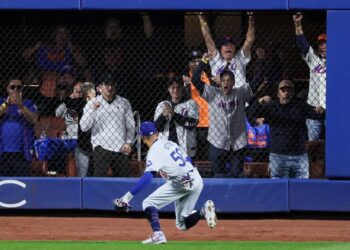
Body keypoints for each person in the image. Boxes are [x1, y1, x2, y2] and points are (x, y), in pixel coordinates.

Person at [113, 121, 217, 244]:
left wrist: (126, 197)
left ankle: (158, 234)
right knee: (182, 224)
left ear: (142, 137)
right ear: (156, 133)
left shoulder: (154, 151)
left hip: (181, 182)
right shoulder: (169, 143)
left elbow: (147, 177)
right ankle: (202, 211)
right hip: (196, 178)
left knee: (148, 202)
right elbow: (189, 159)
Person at [192, 53, 253, 177]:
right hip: (217, 142)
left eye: (229, 80)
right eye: (223, 80)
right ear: (219, 82)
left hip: (237, 142)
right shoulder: (212, 93)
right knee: (218, 175)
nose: (226, 83)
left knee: (236, 175)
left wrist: (261, 61)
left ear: (234, 82)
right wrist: (204, 62)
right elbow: (195, 79)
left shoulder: (240, 92)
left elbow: (256, 82)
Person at [253, 80, 325, 178]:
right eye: (283, 90)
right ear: (278, 93)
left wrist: (321, 111)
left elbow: (317, 115)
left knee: (302, 187)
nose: (286, 93)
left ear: (293, 93)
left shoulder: (301, 106)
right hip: (278, 155)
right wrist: (259, 102)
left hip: (299, 155)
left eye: (289, 90)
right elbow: (250, 113)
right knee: (278, 187)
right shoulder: (272, 106)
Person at [80, 74, 135, 177]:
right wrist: (92, 110)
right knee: (100, 182)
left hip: (121, 147)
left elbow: (130, 126)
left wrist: (128, 143)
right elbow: (84, 127)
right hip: (101, 146)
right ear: (100, 87)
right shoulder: (92, 103)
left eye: (112, 84)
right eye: (106, 85)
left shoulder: (124, 102)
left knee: (122, 183)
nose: (110, 88)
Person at [198, 12, 255, 87]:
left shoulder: (240, 57)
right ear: (221, 49)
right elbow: (207, 38)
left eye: (231, 45)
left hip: (238, 95)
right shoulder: (216, 59)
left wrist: (251, 21)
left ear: (235, 49)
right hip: (219, 95)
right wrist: (201, 18)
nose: (228, 47)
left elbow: (250, 40)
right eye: (225, 45)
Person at [293, 13, 326, 141]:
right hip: (314, 108)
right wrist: (298, 24)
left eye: (326, 43)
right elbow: (303, 44)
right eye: (321, 43)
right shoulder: (314, 60)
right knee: (312, 144)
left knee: (336, 141)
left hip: (333, 108)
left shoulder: (339, 60)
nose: (324, 46)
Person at [154, 76, 199, 160]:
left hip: (185, 149)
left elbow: (191, 124)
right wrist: (163, 116)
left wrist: (173, 114)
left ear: (182, 88)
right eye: (173, 87)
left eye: (178, 87)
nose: (176, 90)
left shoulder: (190, 104)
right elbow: (156, 128)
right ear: (168, 89)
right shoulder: (162, 105)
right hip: (166, 149)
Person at [0, 79, 38, 176]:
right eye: (13, 87)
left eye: (19, 87)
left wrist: (21, 105)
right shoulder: (1, 102)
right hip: (2, 152)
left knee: (22, 182)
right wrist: (6, 104)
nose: (16, 89)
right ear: (7, 89)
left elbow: (34, 120)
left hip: (22, 153)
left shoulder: (28, 103)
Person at [183, 50, 212, 160]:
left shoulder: (210, 77)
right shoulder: (185, 79)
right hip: (193, 124)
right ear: (188, 63)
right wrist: (185, 86)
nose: (196, 63)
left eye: (198, 61)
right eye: (193, 61)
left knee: (209, 157)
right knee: (193, 157)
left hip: (209, 124)